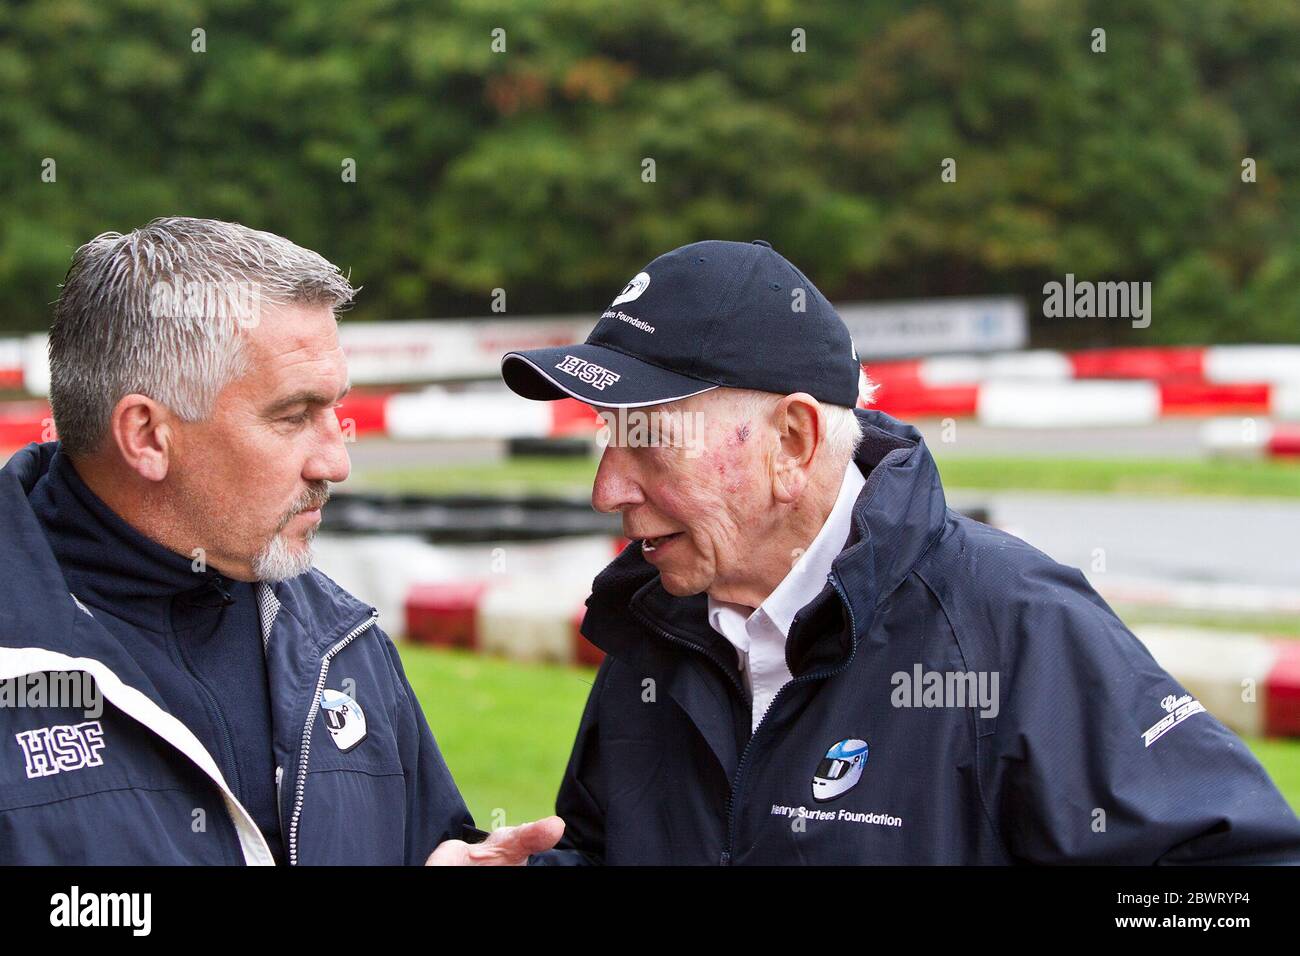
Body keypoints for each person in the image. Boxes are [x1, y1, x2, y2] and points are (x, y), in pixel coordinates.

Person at [501, 238, 1300, 865]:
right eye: (609, 438)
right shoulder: (654, 623)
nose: (608, 489)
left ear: (792, 439)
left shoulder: (1010, 626)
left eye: (648, 440)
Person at [0, 217, 561, 864]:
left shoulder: (340, 640)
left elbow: (419, 842)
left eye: (336, 412)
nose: (336, 462)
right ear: (148, 435)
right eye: (294, 416)